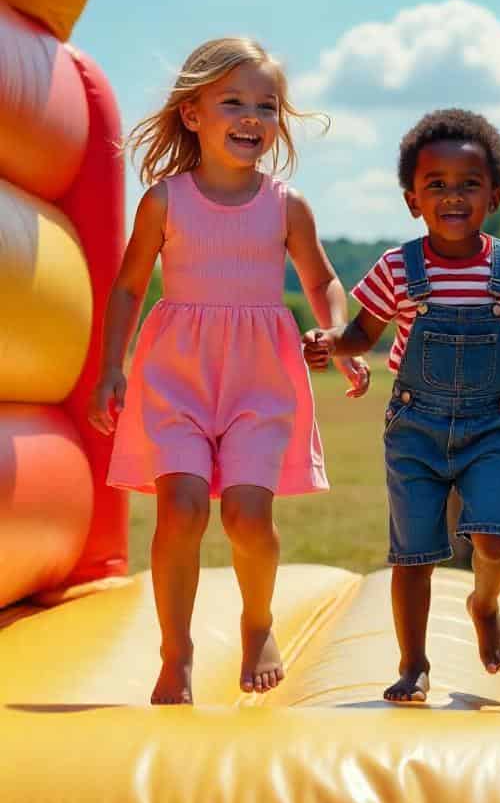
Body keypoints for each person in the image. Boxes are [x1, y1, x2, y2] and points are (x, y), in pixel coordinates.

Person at [88, 37, 369, 706]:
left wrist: (340, 336)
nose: (252, 117)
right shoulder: (164, 200)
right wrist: (112, 369)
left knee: (248, 517)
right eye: (233, 102)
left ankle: (257, 621)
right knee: (180, 510)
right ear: (192, 115)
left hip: (259, 381)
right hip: (175, 376)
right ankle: (176, 652)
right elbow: (129, 288)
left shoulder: (286, 204)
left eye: (266, 105)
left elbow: (323, 279)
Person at [304, 109, 500, 703]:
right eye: (435, 185)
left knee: (497, 541)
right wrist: (333, 343)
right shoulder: (397, 268)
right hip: (415, 428)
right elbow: (364, 332)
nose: (452, 196)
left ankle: (484, 602)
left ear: (493, 193)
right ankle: (414, 664)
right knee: (413, 553)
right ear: (413, 200)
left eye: (468, 183)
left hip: (491, 425)